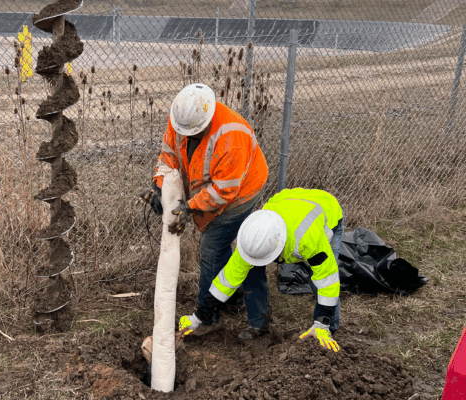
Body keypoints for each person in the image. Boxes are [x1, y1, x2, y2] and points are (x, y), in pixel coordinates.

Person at [140, 83, 268, 335]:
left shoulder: (231, 137)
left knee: (213, 248)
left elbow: (224, 191)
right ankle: (231, 294)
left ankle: (209, 316)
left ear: (206, 122)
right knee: (220, 251)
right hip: (218, 189)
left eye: (194, 133)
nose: (187, 136)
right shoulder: (183, 118)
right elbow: (168, 155)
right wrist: (158, 185)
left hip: (241, 193)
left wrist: (188, 208)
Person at [179, 188, 344, 352]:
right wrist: (197, 317)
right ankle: (259, 326)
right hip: (288, 202)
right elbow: (226, 281)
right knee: (250, 270)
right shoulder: (253, 237)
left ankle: (326, 328)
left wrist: (321, 322)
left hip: (326, 209)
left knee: (318, 280)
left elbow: (327, 279)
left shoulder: (309, 239)